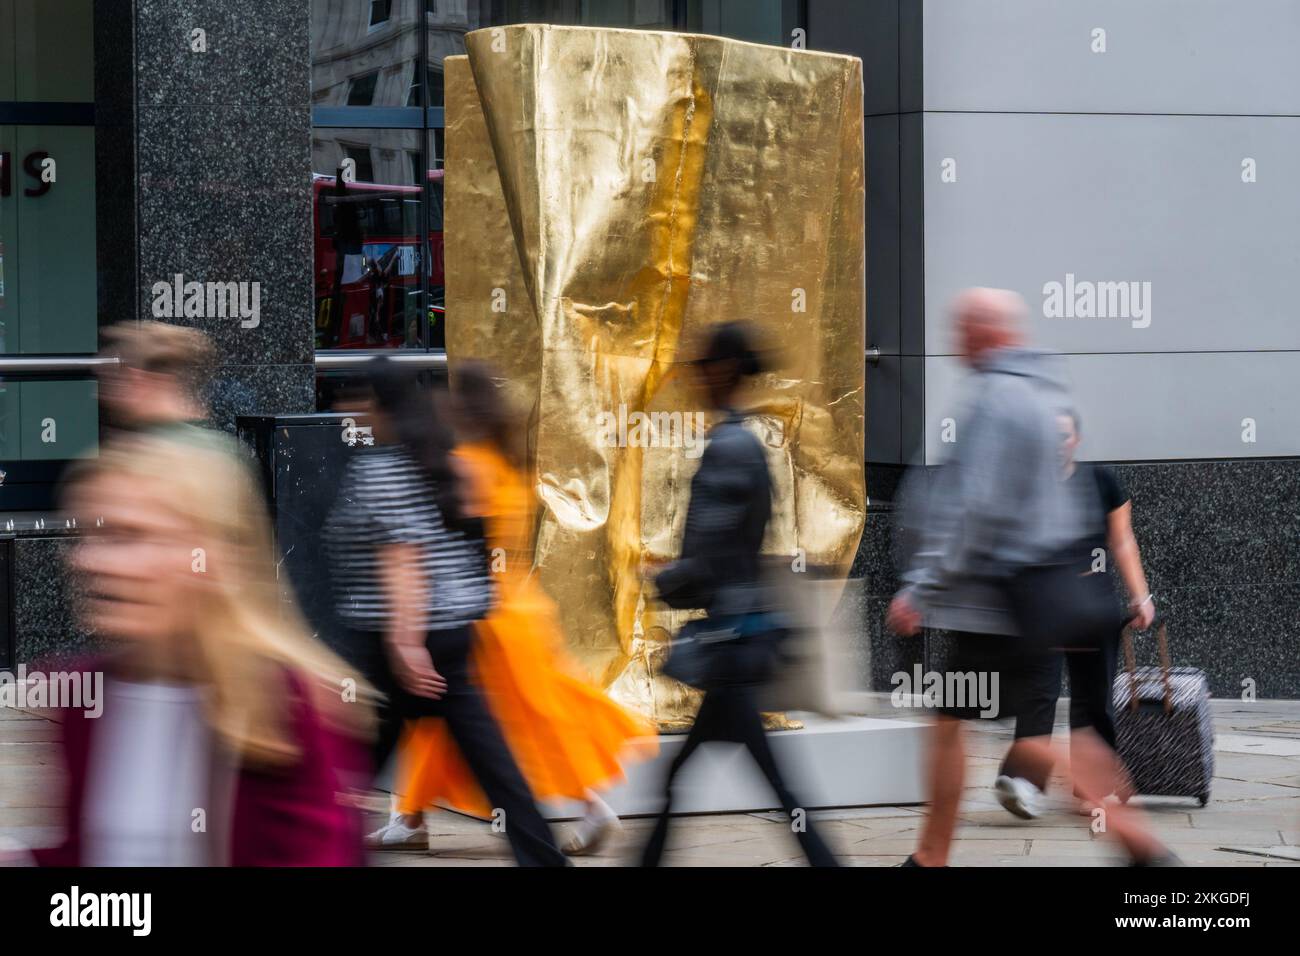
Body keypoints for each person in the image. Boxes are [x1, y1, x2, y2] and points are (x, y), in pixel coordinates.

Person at [887, 287, 1176, 867]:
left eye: (965, 327)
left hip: (995, 595)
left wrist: (923, 587)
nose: (956, 338)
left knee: (970, 727)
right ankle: (930, 858)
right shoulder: (1042, 394)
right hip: (1025, 592)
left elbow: (977, 507)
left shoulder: (998, 398)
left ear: (988, 333)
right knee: (961, 722)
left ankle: (1142, 849)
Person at [26, 435, 373, 866]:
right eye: (86, 534)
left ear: (210, 556)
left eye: (129, 535)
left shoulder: (286, 709)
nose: (90, 560)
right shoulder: (82, 701)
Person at [372, 362, 657, 855]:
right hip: (519, 607)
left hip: (480, 613)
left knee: (459, 722)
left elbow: (449, 545)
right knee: (522, 722)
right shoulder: (510, 465)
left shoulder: (466, 464)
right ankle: (412, 814)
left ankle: (411, 817)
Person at [322, 357, 567, 867]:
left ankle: (320, 851)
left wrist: (406, 645)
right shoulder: (443, 457)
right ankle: (545, 861)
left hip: (402, 646)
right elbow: (469, 545)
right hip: (454, 633)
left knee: (355, 767)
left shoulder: (380, 468)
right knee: (494, 766)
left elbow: (403, 559)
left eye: (353, 399)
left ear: (375, 405)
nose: (346, 410)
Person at [639, 322, 838, 868]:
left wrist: (660, 578)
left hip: (730, 640)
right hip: (738, 636)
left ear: (722, 371)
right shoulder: (742, 441)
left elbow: (712, 554)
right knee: (730, 781)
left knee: (704, 780)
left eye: (701, 367)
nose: (695, 378)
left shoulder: (727, 448)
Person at [994, 411, 1156, 819]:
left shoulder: (1100, 481)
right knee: (1038, 694)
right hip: (1040, 607)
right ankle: (1026, 784)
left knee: (1093, 698)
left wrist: (1141, 596)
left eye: (1063, 435)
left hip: (1092, 607)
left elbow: (1122, 541)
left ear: (1076, 440)